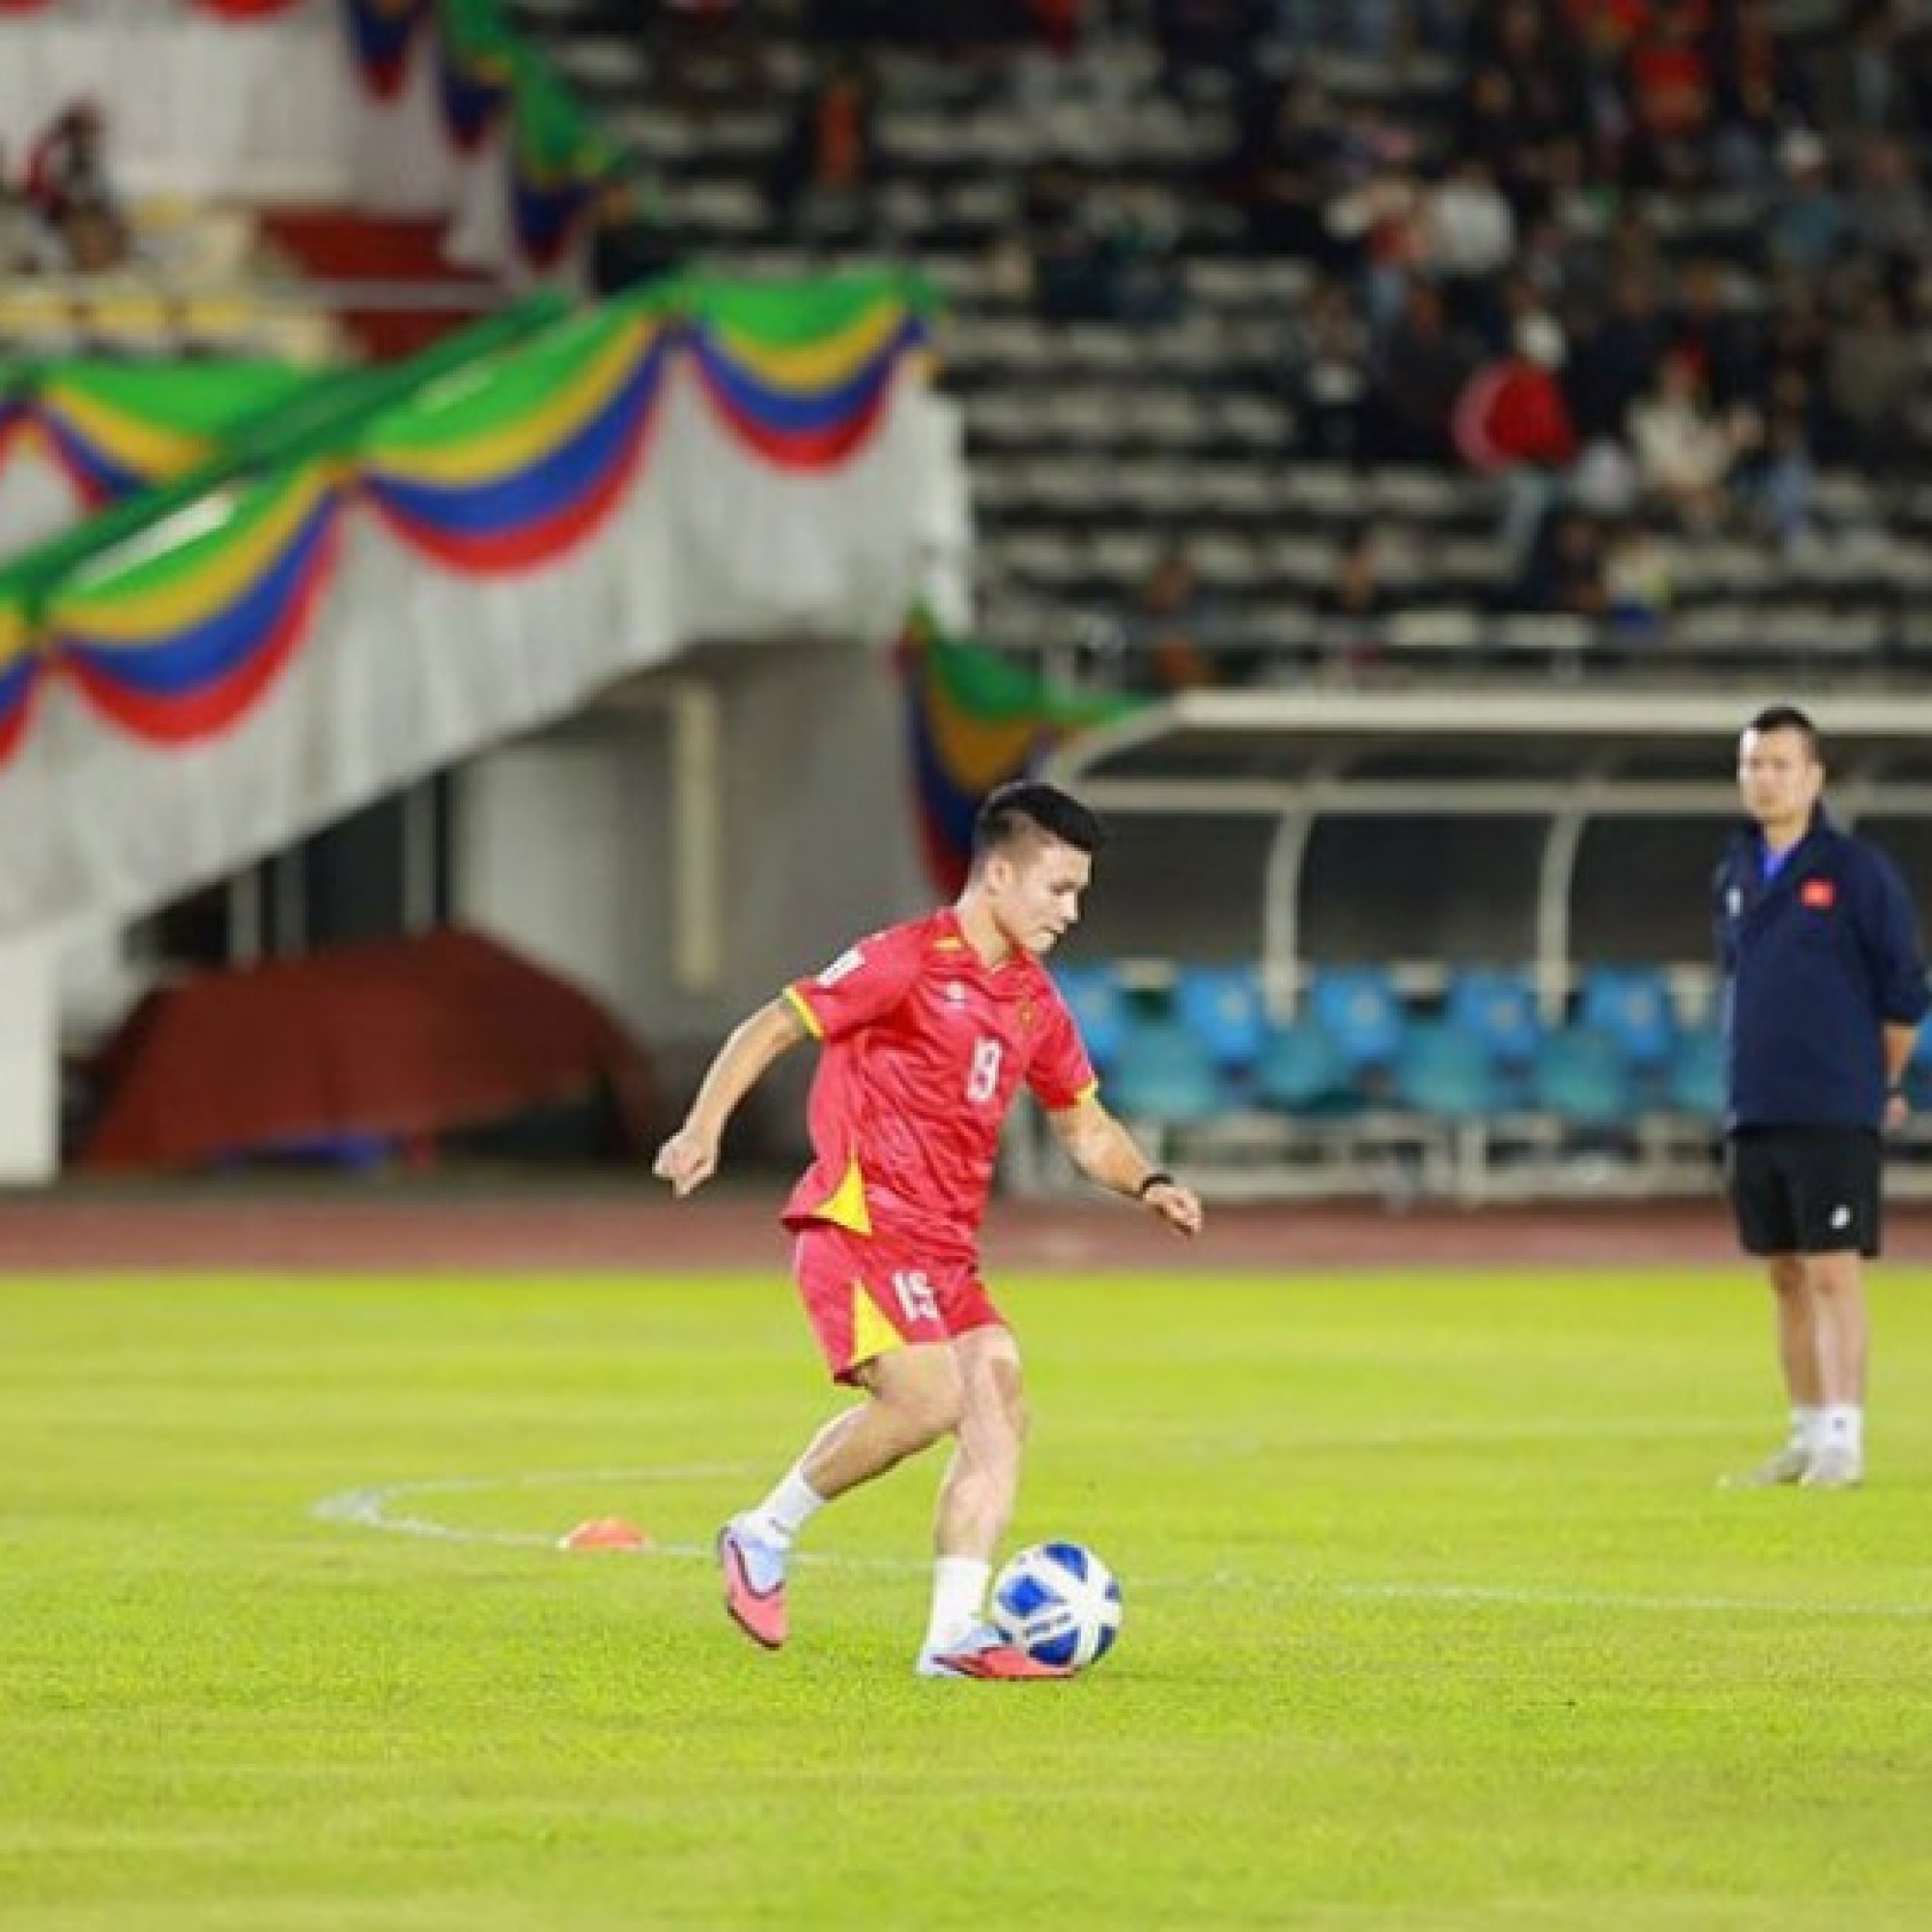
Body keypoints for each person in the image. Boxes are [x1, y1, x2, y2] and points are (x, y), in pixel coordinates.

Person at [653, 782, 1206, 1676]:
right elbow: (774, 1025)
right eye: (1059, 889)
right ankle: (763, 1534)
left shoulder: (1033, 1002)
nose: (1071, 912)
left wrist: (1150, 1182)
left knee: (999, 1400)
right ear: (999, 875)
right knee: (927, 1398)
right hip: (863, 1224)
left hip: (946, 1252)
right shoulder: (904, 960)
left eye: (1079, 894)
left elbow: (1085, 1127)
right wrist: (702, 1127)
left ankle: (952, 1637)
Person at [1716, 705, 1927, 1491]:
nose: (1764, 779)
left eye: (1779, 764)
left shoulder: (1856, 873)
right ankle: (1804, 1431)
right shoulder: (1735, 872)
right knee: (1784, 1273)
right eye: (1752, 765)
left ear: (1813, 777)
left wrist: (1878, 1081)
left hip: (1834, 1104)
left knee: (1834, 1270)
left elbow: (1902, 995)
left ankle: (1845, 1436)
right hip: (1756, 1100)